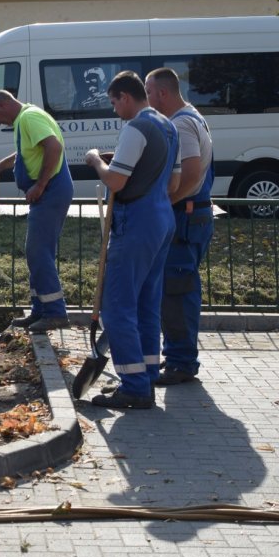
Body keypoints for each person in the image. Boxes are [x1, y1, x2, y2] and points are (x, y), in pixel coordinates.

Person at [84, 71, 180, 410]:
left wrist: (96, 159)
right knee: (145, 304)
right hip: (162, 218)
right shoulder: (168, 126)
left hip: (137, 222)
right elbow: (173, 182)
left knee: (117, 306)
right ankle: (147, 373)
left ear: (126, 96)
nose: (114, 110)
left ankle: (135, 387)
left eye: (113, 102)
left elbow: (116, 182)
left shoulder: (135, 128)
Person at [145, 67, 215, 386]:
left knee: (177, 291)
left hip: (186, 217)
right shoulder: (190, 118)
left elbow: (189, 173)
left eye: (148, 92)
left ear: (162, 93)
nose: (146, 99)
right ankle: (176, 356)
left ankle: (181, 363)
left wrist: (166, 202)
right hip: (190, 215)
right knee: (174, 291)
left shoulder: (182, 124)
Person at [0, 89, 73, 332]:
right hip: (49, 192)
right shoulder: (27, 118)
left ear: (2, 105)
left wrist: (41, 184)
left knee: (38, 251)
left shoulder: (29, 118)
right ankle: (40, 309)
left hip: (51, 190)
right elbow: (27, 153)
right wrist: (1, 165)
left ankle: (55, 312)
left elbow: (53, 147)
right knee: (36, 252)